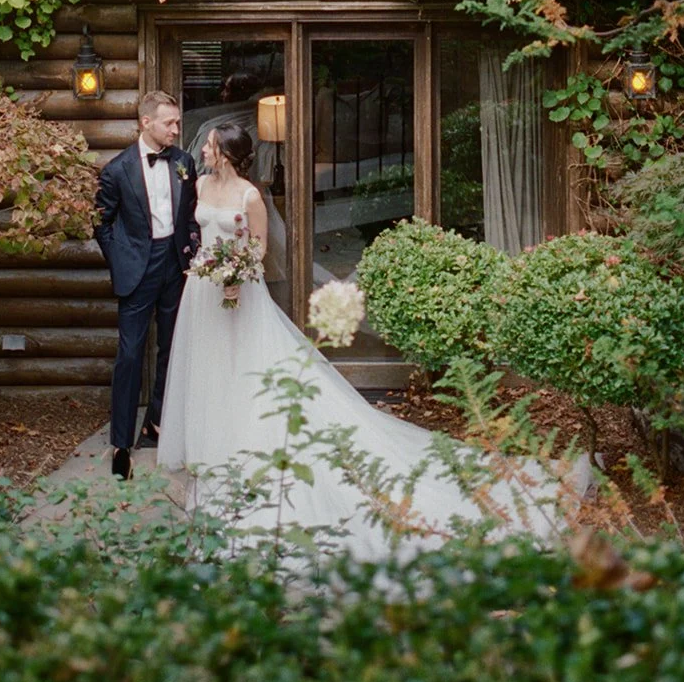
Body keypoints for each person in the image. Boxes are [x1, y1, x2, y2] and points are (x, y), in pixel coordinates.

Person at [158, 123, 584, 558]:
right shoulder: (201, 184)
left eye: (210, 146)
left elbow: (260, 248)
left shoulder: (250, 195)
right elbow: (197, 235)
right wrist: (207, 268)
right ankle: (213, 450)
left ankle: (249, 449)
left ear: (226, 153)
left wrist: (236, 274)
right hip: (203, 290)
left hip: (240, 292)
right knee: (211, 366)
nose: (204, 151)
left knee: (247, 368)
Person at [93, 89, 200, 481]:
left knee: (172, 347)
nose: (176, 129)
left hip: (174, 266)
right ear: (146, 123)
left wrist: (190, 253)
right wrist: (120, 258)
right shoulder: (117, 170)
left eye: (176, 122)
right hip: (137, 269)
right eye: (169, 123)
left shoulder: (184, 162)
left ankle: (156, 422)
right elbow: (101, 223)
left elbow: (191, 215)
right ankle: (122, 442)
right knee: (131, 354)